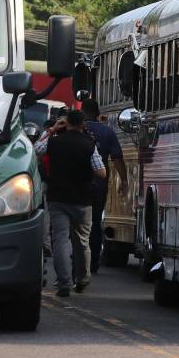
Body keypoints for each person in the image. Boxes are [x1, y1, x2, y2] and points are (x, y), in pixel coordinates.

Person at [35, 110, 106, 297]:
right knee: (82, 241)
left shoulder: (54, 141)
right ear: (83, 124)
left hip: (58, 197)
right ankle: (82, 279)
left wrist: (50, 131)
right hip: (83, 199)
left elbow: (35, 149)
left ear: (66, 123)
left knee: (60, 240)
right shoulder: (89, 144)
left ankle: (64, 283)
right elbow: (101, 172)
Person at [82, 99, 129, 272]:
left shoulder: (75, 129)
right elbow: (117, 158)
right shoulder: (107, 132)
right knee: (94, 222)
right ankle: (93, 262)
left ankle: (77, 260)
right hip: (97, 185)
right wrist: (124, 180)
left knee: (75, 223)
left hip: (74, 185)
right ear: (97, 113)